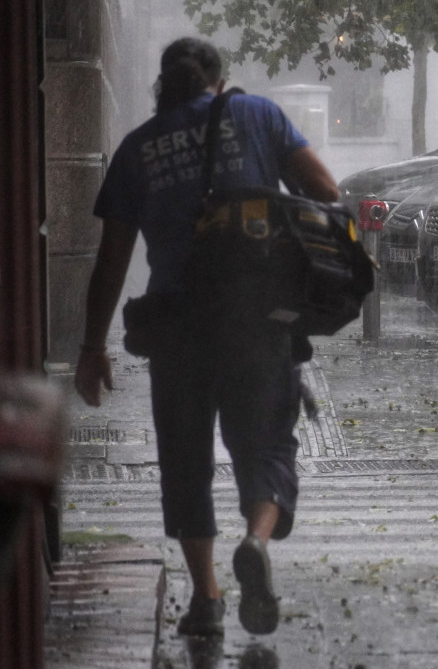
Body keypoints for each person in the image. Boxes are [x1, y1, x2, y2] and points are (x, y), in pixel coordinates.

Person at [74, 37, 338, 637]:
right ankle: (256, 540)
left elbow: (111, 261)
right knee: (265, 444)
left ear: (163, 83)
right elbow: (324, 190)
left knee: (186, 463)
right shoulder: (257, 115)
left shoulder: (137, 149)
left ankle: (208, 599)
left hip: (176, 327)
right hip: (255, 318)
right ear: (218, 79)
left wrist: (92, 348)